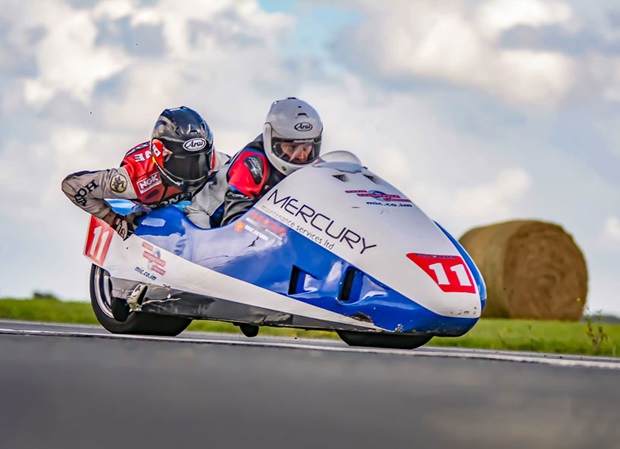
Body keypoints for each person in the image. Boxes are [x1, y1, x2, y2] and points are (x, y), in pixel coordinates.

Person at [62, 106, 228, 319]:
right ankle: (121, 289)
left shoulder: (219, 163)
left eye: (201, 159)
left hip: (194, 203)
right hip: (149, 210)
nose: (196, 169)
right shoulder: (132, 178)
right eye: (184, 162)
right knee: (121, 309)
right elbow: (72, 185)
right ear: (162, 156)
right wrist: (111, 218)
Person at [186, 97, 323, 228]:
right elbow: (233, 223)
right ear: (272, 139)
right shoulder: (252, 164)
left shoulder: (314, 165)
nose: (301, 156)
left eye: (306, 147)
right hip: (207, 219)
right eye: (292, 148)